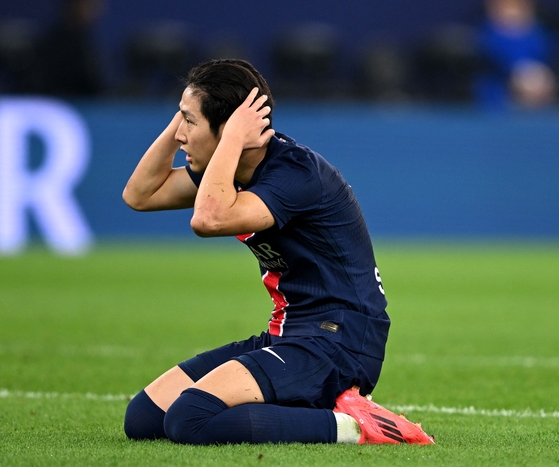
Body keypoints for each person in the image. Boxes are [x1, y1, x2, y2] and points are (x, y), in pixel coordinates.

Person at [121, 58, 435, 445]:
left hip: (338, 342)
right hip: (288, 335)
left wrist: (230, 136)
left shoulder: (294, 172)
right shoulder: (231, 166)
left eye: (189, 122)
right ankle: (314, 409)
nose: (180, 135)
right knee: (144, 418)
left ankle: (357, 427)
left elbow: (208, 220)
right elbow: (140, 195)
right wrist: (191, 117)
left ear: (232, 127)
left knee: (190, 419)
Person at [476, 0, 556, 109]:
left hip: (540, 92)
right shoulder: (486, 36)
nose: (511, 13)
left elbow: (545, 61)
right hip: (498, 92)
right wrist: (520, 78)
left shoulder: (540, 33)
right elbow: (494, 60)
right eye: (506, 8)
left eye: (516, 7)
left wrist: (539, 80)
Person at [32, 0, 106, 97]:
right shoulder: (56, 43)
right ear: (73, 6)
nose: (96, 10)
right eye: (89, 4)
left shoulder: (84, 40)